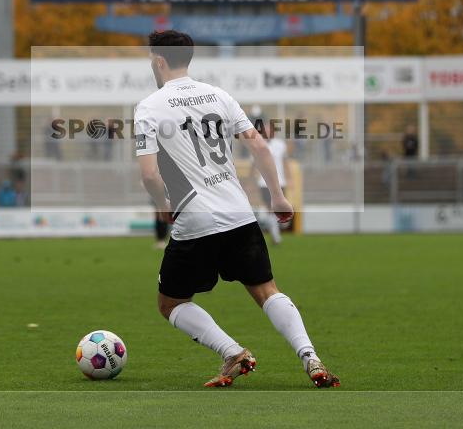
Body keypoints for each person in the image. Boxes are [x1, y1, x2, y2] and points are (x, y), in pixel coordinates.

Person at [134, 30, 339, 389]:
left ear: (159, 61)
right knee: (266, 291)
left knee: (171, 303)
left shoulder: (149, 107)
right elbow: (259, 147)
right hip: (239, 215)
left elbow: (149, 174)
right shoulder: (220, 95)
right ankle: (310, 357)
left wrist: (164, 207)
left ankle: (232, 352)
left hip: (194, 221)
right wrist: (278, 196)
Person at [253, 123, 290, 245]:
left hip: (280, 182)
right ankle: (276, 237)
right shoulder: (257, 144)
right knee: (270, 208)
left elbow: (285, 162)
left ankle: (274, 229)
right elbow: (254, 164)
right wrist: (253, 178)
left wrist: (290, 178)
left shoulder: (280, 145)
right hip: (264, 182)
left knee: (279, 209)